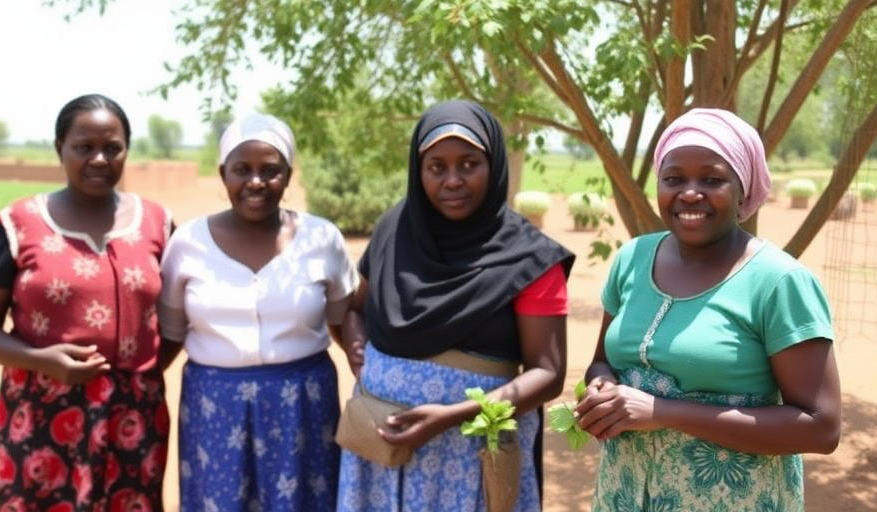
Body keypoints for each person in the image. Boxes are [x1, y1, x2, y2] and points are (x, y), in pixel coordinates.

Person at [575, 108, 841, 511]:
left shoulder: (778, 282)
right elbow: (601, 362)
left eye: (713, 179)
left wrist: (662, 411)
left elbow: (821, 428)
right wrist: (602, 388)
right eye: (673, 179)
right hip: (624, 494)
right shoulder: (633, 258)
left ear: (743, 189)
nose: (690, 193)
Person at [336, 99, 575, 511]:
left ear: (494, 163)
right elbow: (356, 310)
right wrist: (361, 357)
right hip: (380, 447)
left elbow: (549, 374)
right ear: (418, 170)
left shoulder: (530, 258)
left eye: (469, 164)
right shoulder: (394, 230)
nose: (452, 180)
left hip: (473, 452)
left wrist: (452, 417)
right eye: (436, 167)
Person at [0, 94, 173, 510]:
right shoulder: (20, 225)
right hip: (41, 410)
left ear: (127, 150)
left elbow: (178, 318)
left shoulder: (157, 224)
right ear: (60, 149)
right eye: (84, 147)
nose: (99, 158)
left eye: (112, 148)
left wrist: (139, 373)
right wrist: (44, 362)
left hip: (135, 416)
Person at [156, 113, 357, 511]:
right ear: (222, 173)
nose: (256, 182)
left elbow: (343, 316)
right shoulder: (187, 243)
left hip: (302, 402)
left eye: (270, 170)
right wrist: (133, 386)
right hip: (214, 405)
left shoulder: (322, 238)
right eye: (241, 169)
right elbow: (172, 333)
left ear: (287, 174)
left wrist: (366, 364)